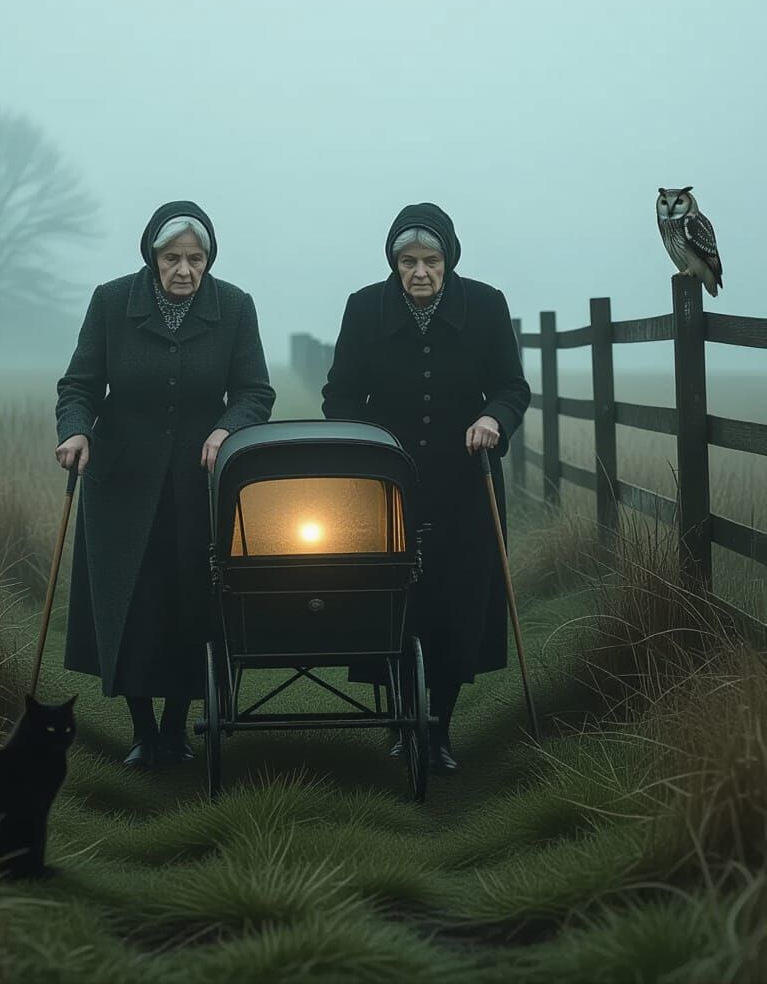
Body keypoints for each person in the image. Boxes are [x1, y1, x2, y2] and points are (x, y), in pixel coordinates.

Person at [55, 201, 275, 770]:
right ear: (152, 258)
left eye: (195, 259)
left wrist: (228, 427)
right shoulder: (110, 301)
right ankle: (142, 731)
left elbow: (255, 391)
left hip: (199, 484)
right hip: (121, 484)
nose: (184, 269)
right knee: (132, 604)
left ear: (208, 260)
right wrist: (77, 433)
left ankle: (178, 728)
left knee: (190, 601)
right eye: (172, 258)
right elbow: (79, 385)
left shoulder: (234, 307)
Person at [321, 202, 530, 770]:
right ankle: (400, 721)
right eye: (407, 261)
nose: (419, 272)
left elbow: (512, 387)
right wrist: (364, 443)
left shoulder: (485, 305)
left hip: (466, 479)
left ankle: (438, 729)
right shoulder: (364, 308)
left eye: (430, 260)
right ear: (393, 262)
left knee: (456, 603)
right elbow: (338, 394)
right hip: (387, 481)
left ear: (449, 259)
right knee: (391, 601)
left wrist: (493, 420)